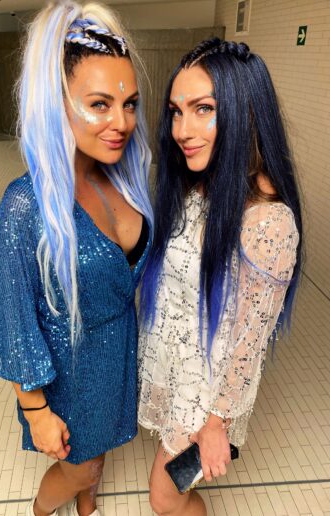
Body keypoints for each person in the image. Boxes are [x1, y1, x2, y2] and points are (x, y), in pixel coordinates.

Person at [0, 2, 153, 515]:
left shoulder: (124, 178)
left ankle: (88, 504)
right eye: (100, 104)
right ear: (56, 102)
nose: (121, 122)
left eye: (129, 104)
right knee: (79, 465)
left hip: (116, 355)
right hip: (68, 373)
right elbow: (11, 318)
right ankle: (42, 509)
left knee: (97, 457)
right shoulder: (26, 204)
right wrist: (36, 411)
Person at [138, 38, 303, 516]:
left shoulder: (267, 222)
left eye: (203, 109)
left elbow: (250, 343)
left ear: (245, 111)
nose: (181, 130)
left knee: (164, 498)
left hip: (205, 392)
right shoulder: (200, 183)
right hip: (177, 365)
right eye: (176, 111)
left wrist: (216, 424)